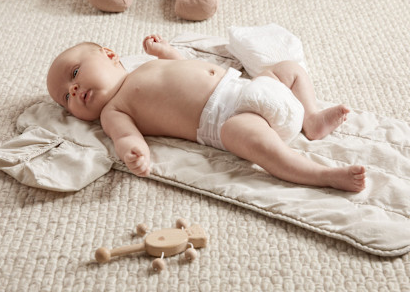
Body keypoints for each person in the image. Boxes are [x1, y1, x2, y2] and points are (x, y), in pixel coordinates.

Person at [46, 35, 366, 192]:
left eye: (74, 73)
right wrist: (134, 153)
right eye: (65, 98)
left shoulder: (145, 66)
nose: (72, 90)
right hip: (224, 120)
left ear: (110, 55)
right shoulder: (113, 110)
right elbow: (126, 135)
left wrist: (165, 51)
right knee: (251, 141)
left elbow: (181, 66)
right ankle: (321, 175)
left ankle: (311, 118)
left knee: (289, 69)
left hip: (246, 87)